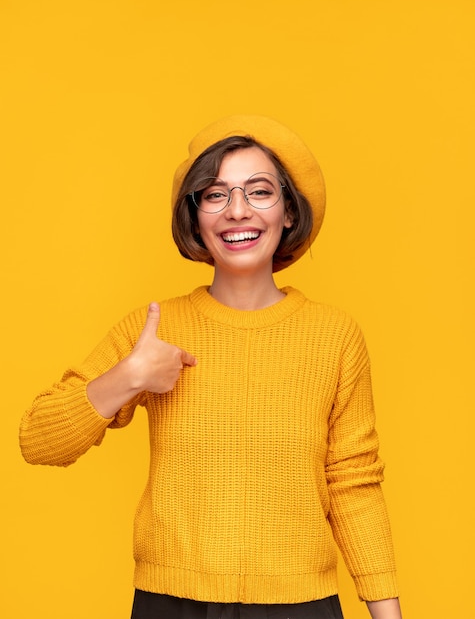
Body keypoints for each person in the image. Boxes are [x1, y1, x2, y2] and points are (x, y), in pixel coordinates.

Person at [20, 115, 403, 619]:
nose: (237, 211)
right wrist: (129, 376)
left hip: (300, 605)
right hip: (172, 604)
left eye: (259, 192)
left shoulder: (335, 336)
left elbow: (353, 483)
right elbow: (38, 441)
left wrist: (388, 614)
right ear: (195, 215)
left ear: (289, 212)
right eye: (215, 194)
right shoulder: (153, 328)